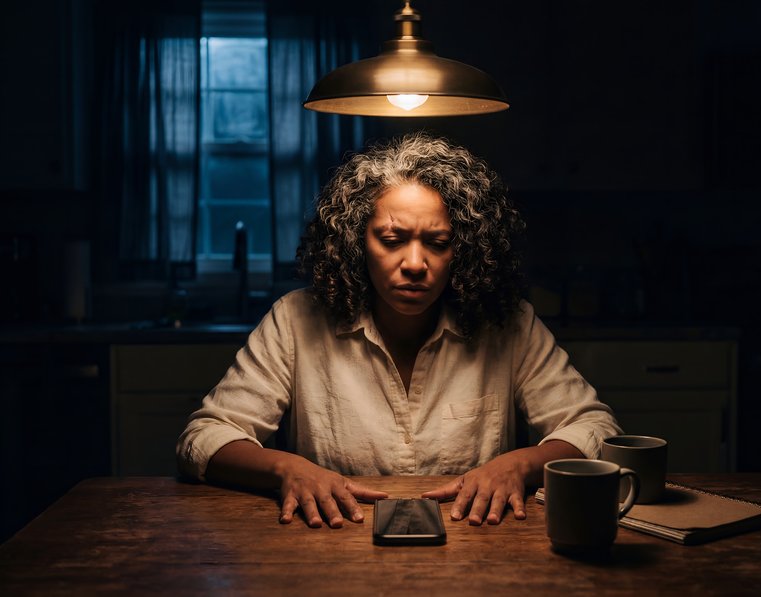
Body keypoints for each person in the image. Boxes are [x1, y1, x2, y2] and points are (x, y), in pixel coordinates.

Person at [177, 132, 622, 529]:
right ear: (356, 242)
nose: (414, 263)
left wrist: (520, 465)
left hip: (476, 542)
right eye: (391, 241)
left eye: (438, 243)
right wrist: (287, 469)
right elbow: (205, 437)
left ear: (464, 251)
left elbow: (596, 429)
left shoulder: (510, 323)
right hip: (331, 540)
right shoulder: (294, 320)